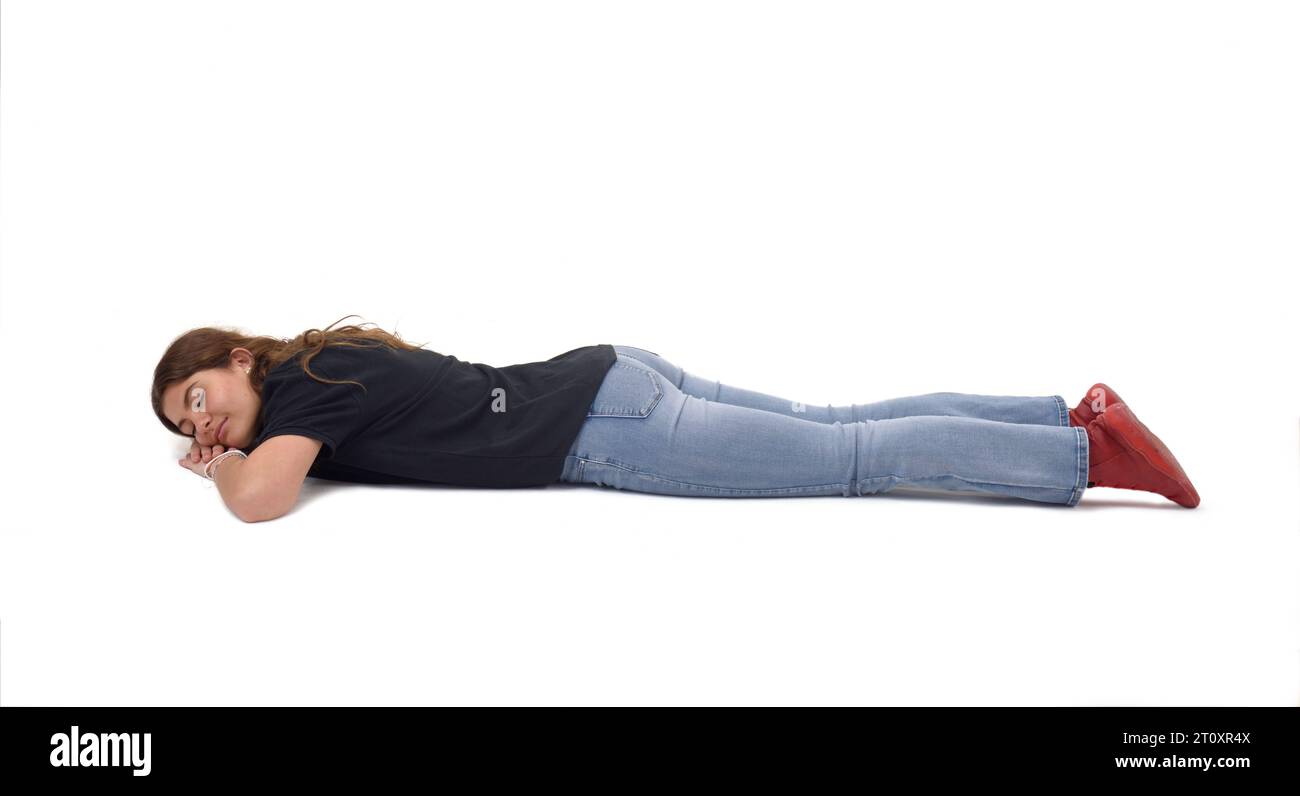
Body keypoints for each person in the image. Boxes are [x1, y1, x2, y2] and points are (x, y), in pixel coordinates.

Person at [153, 316, 1200, 521]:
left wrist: (215, 466)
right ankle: (1061, 412)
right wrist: (228, 446)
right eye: (183, 421)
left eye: (199, 397)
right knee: (841, 420)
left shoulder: (301, 392)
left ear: (239, 359)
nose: (203, 422)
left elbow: (259, 501)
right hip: (608, 371)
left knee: (851, 457)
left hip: (604, 427)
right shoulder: (327, 366)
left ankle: (1081, 451)